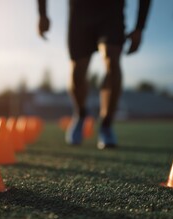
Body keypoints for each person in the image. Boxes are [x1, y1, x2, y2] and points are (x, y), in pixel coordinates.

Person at [37, 0, 151, 149]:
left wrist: (139, 27)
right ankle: (80, 114)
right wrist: (42, 14)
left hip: (112, 11)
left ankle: (106, 123)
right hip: (79, 11)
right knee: (77, 72)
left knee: (112, 61)